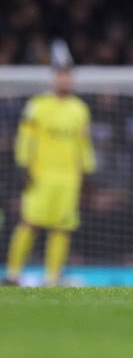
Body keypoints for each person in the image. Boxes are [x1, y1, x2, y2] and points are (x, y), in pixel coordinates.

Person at [3, 40, 95, 286]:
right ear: (53, 78)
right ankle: (12, 275)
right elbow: (26, 138)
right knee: (29, 223)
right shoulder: (37, 106)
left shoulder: (80, 110)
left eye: (68, 75)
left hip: (69, 179)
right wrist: (22, 165)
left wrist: (87, 172)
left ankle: (52, 278)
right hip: (40, 176)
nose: (65, 80)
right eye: (61, 75)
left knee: (62, 228)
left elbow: (83, 145)